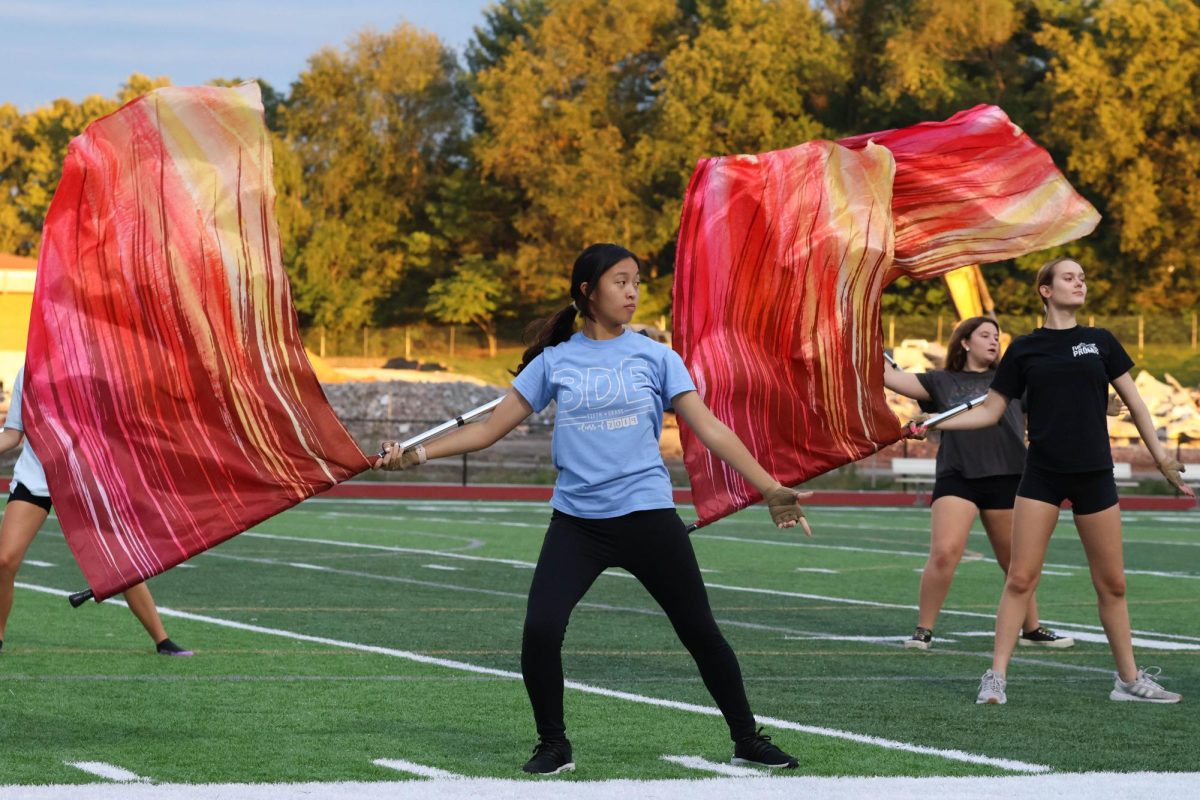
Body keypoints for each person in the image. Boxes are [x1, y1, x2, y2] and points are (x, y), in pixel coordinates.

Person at [379, 243, 810, 775]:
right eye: (620, 282)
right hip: (578, 524)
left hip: (648, 517)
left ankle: (747, 738)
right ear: (588, 291)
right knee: (541, 628)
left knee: (700, 631)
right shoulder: (553, 362)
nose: (631, 293)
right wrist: (416, 455)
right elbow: (489, 430)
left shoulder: (657, 356)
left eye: (636, 282)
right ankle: (553, 745)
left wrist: (770, 488)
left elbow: (710, 428)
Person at [907, 257, 1193, 705]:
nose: (1080, 281)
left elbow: (1134, 403)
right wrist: (936, 423)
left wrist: (1161, 459)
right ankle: (996, 677)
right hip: (1041, 474)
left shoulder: (1100, 342)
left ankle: (1128, 680)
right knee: (1021, 577)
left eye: (1082, 276)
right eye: (1069, 276)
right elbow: (990, 411)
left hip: (1095, 473)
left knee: (1113, 583)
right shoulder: (1024, 349)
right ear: (1045, 290)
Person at [885, 317, 1073, 651]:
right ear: (965, 342)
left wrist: (1102, 405)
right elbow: (892, 379)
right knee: (945, 552)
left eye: (997, 337)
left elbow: (1057, 403)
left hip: (1008, 475)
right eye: (985, 335)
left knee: (1015, 562)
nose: (993, 341)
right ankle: (923, 631)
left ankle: (1031, 628)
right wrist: (864, 347)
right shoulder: (940, 381)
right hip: (958, 475)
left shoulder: (1012, 380)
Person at [0, 367, 192, 657]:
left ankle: (162, 640)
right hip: (36, 478)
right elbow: (13, 435)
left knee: (122, 564)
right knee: (4, 560)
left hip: (85, 481)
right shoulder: (28, 371)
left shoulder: (92, 366)